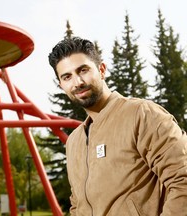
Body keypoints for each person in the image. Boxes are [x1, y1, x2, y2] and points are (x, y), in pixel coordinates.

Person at [48, 37, 187, 215]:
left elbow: (182, 180)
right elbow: (77, 205)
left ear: (102, 70)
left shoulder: (142, 114)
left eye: (83, 70)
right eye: (67, 77)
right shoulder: (74, 141)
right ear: (61, 85)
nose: (77, 82)